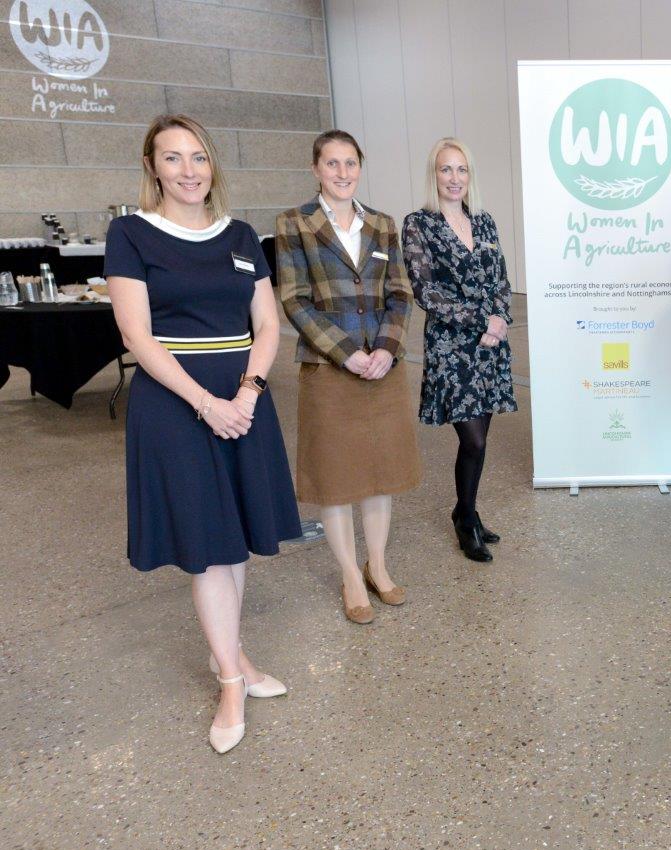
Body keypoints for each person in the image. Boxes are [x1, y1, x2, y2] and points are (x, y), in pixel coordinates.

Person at [105, 114, 301, 754]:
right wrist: (206, 404)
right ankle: (229, 681)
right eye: (173, 158)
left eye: (198, 157)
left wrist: (245, 393)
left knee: (233, 540)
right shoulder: (131, 234)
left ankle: (236, 658)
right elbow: (137, 336)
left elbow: (267, 324)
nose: (189, 170)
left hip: (244, 399)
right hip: (174, 404)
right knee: (209, 544)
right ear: (152, 167)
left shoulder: (242, 235)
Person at [275, 130, 422, 625]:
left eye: (350, 164)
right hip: (329, 370)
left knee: (380, 476)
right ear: (315, 168)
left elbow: (400, 293)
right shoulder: (294, 224)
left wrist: (386, 347)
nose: (342, 173)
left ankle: (377, 565)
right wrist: (346, 354)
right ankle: (349, 576)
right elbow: (294, 300)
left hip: (383, 368)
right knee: (337, 481)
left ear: (360, 167)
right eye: (332, 164)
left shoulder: (381, 224)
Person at [401, 138, 516, 562]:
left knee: (480, 437)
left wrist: (500, 318)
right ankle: (465, 519)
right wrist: (480, 320)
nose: (455, 178)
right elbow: (425, 291)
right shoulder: (419, 223)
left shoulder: (484, 221)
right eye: (446, 170)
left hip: (490, 344)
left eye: (462, 170)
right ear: (435, 175)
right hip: (452, 345)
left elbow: (501, 276)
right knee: (473, 438)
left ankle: (466, 509)